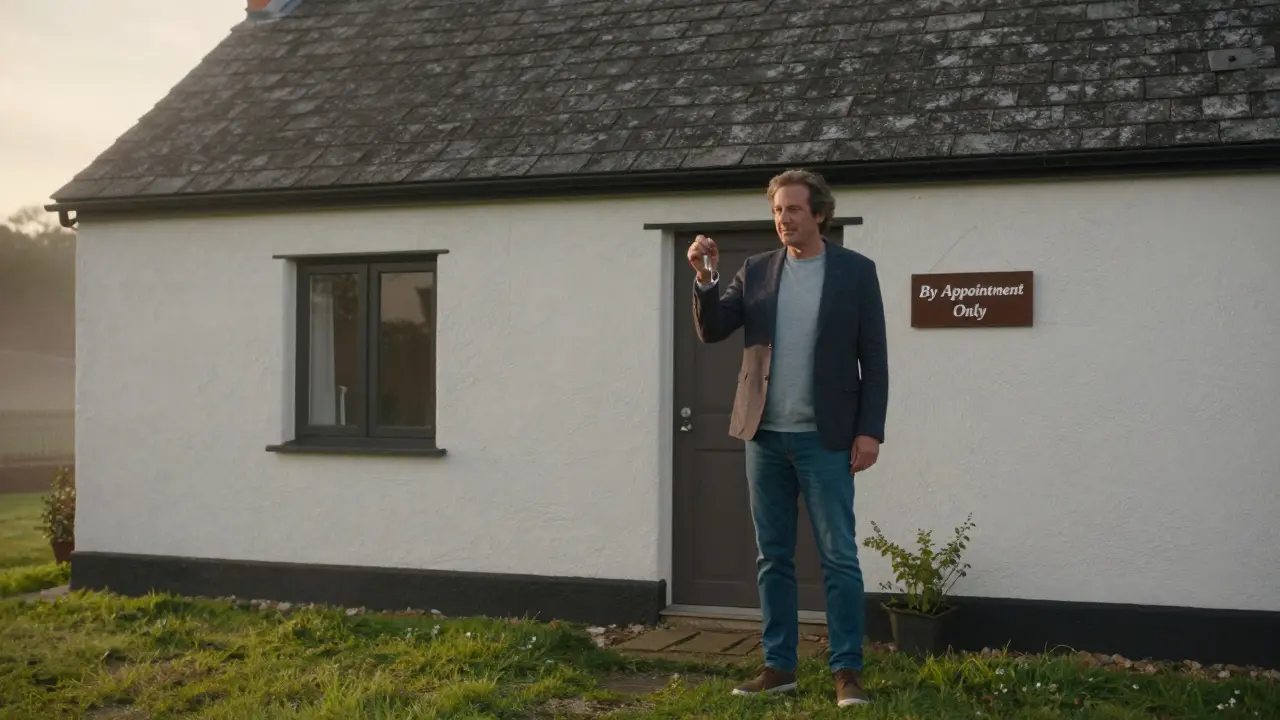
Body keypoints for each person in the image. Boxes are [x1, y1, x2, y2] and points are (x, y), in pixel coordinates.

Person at [687, 168, 888, 708]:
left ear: (819, 213)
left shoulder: (855, 273)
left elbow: (876, 359)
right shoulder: (755, 271)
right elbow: (713, 329)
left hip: (827, 440)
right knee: (772, 556)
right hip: (764, 437)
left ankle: (847, 672)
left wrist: (870, 432)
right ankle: (780, 667)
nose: (784, 219)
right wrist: (706, 277)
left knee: (838, 557)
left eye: (794, 210)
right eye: (777, 211)